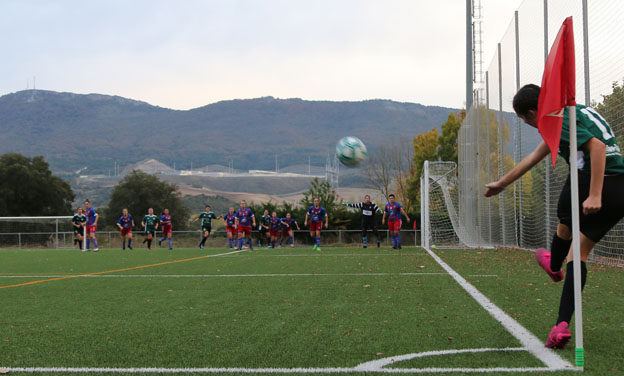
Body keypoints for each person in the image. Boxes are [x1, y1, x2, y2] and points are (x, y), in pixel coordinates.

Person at [484, 84, 624, 349]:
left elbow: (597, 148)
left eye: (525, 119)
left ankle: (554, 265)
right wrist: (502, 183)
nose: (527, 124)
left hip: (593, 180)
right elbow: (535, 156)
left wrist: (594, 195)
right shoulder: (574, 112)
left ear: (534, 112)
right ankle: (561, 325)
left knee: (564, 221)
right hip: (620, 189)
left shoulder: (557, 121)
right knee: (578, 252)